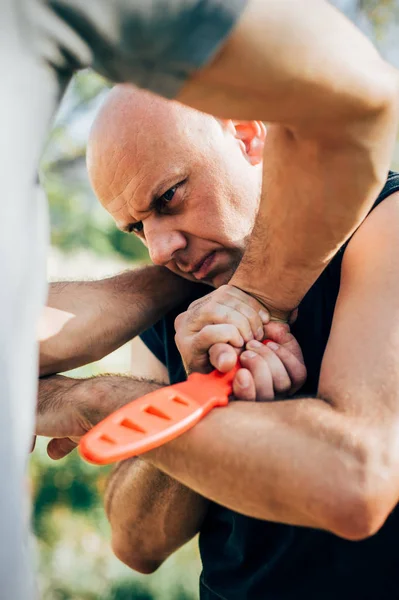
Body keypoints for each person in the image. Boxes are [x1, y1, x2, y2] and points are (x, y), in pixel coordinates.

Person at [3, 1, 398, 596]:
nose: (160, 248)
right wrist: (196, 394)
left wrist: (97, 400)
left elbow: (359, 478)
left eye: (168, 198)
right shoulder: (185, 299)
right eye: (136, 229)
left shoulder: (384, 226)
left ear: (245, 135)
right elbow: (136, 543)